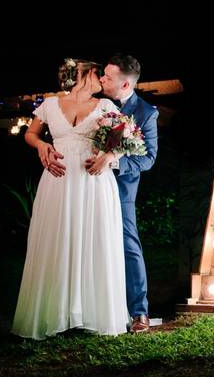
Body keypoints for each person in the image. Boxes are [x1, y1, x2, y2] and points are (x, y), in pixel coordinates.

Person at [11, 59, 131, 339]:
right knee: (58, 238)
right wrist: (42, 145)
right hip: (59, 181)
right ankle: (56, 312)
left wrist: (108, 156)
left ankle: (92, 313)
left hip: (94, 182)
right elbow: (31, 133)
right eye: (95, 73)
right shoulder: (51, 105)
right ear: (80, 75)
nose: (100, 78)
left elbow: (124, 141)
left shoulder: (105, 107)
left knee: (93, 239)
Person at [93, 54, 159, 334]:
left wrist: (114, 160)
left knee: (129, 246)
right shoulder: (93, 104)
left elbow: (148, 159)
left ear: (125, 85)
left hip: (121, 190)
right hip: (88, 187)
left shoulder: (145, 113)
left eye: (107, 77)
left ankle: (139, 312)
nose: (101, 80)